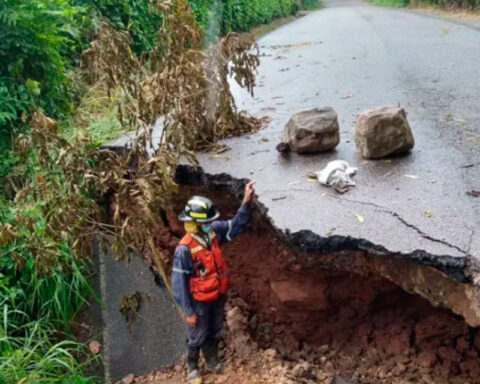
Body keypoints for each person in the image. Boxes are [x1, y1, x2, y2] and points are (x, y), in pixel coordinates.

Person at [171, 181, 255, 384]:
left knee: (215, 329)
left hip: (216, 294)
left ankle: (212, 361)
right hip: (198, 300)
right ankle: (192, 368)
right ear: (195, 224)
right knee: (197, 335)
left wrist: (246, 201)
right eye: (206, 222)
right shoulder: (184, 249)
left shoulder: (213, 233)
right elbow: (179, 283)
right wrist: (188, 311)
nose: (210, 224)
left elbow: (235, 226)